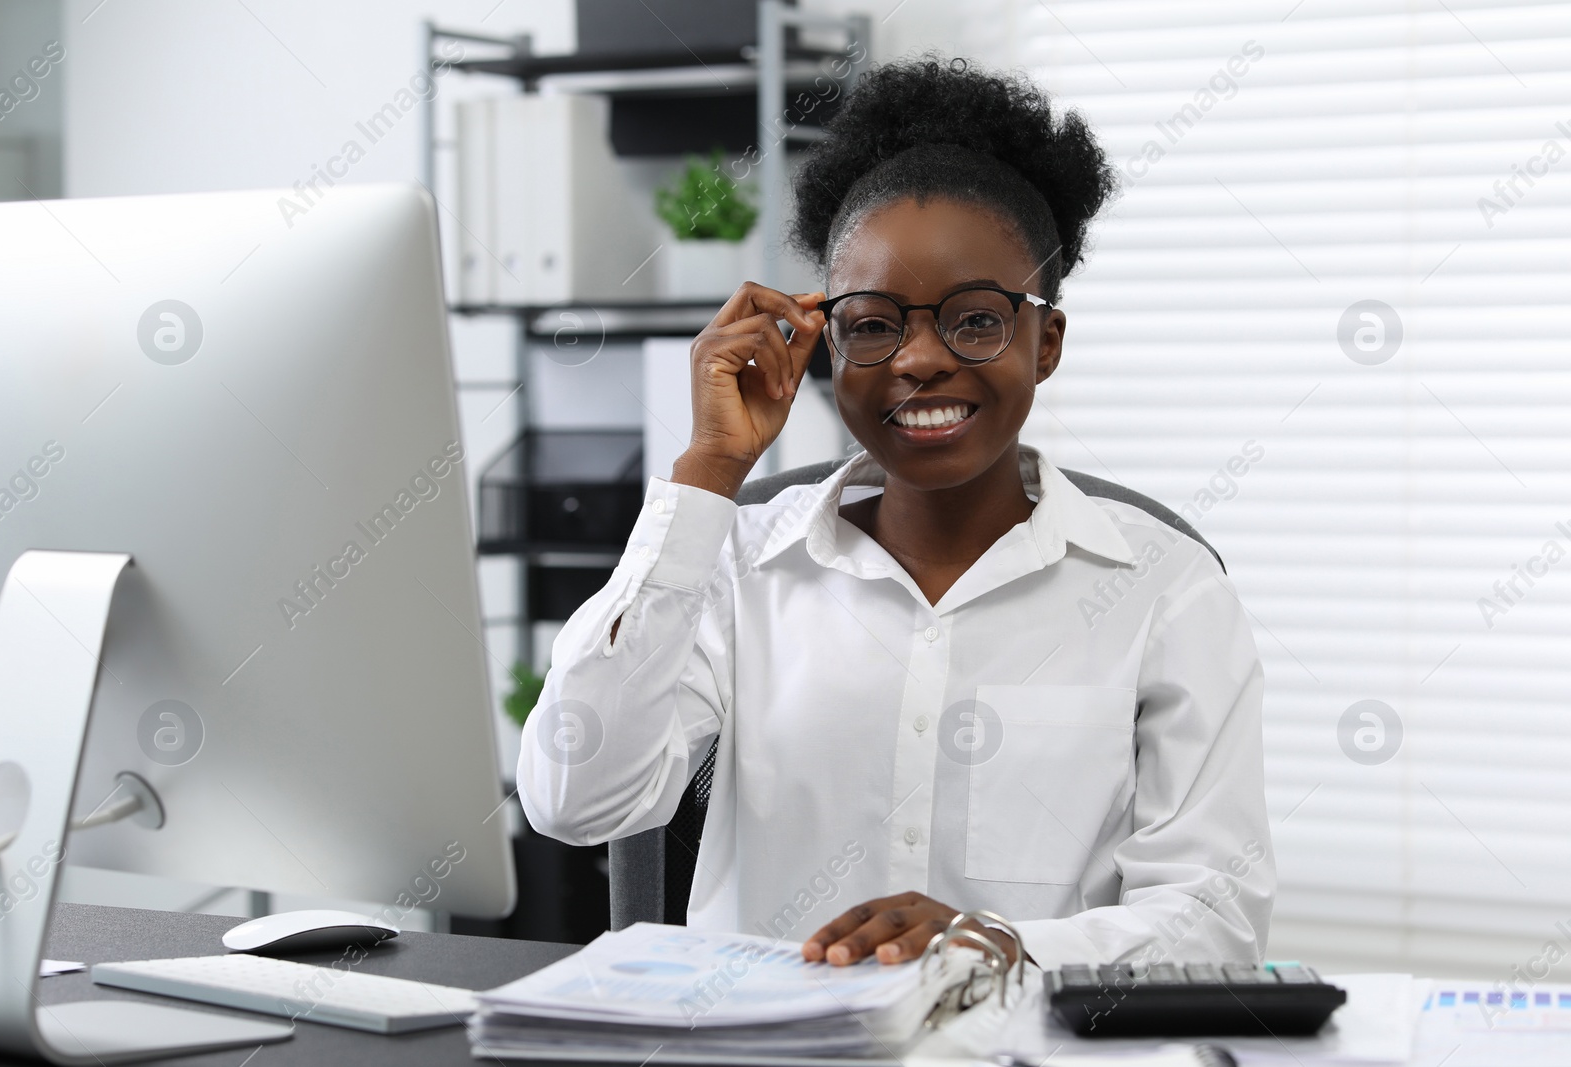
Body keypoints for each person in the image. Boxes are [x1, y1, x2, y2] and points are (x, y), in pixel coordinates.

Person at [518, 56, 1273, 970]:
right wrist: (706, 471)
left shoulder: (1164, 589)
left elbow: (1216, 921)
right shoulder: (737, 562)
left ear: (1047, 345)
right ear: (826, 341)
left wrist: (994, 944)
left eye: (977, 319)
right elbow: (574, 798)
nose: (919, 359)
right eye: (874, 322)